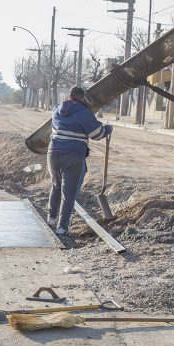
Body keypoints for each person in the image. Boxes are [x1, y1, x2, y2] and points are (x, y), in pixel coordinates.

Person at [47, 87, 112, 235]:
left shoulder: (57, 108)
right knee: (68, 194)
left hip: (53, 153)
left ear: (69, 96)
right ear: (83, 98)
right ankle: (62, 228)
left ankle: (51, 219)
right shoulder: (84, 112)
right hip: (73, 156)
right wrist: (108, 129)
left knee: (56, 186)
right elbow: (97, 134)